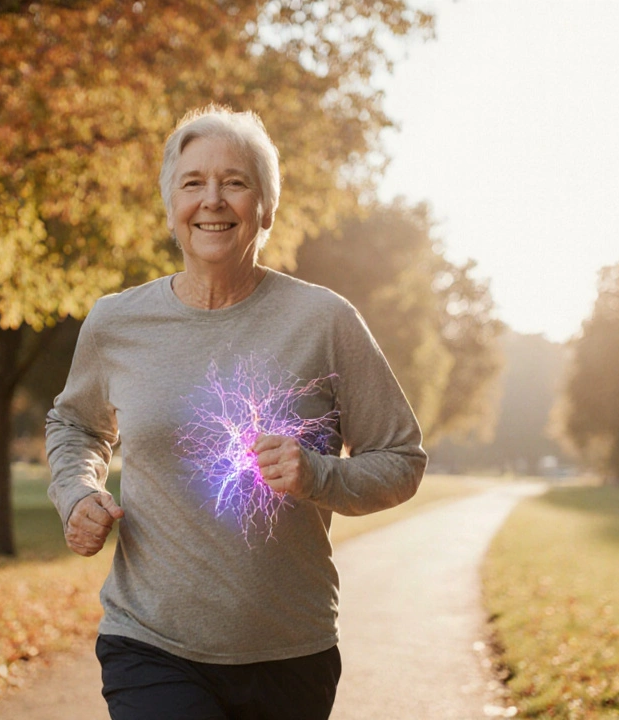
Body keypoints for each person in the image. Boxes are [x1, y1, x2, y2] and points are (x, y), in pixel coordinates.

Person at [45, 104, 426, 720]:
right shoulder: (116, 322)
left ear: (266, 207)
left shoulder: (324, 321)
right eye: (193, 183)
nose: (213, 200)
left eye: (236, 182)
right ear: (172, 206)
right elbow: (75, 424)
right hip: (149, 644)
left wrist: (317, 476)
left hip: (289, 653)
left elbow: (402, 460)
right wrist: (76, 491)